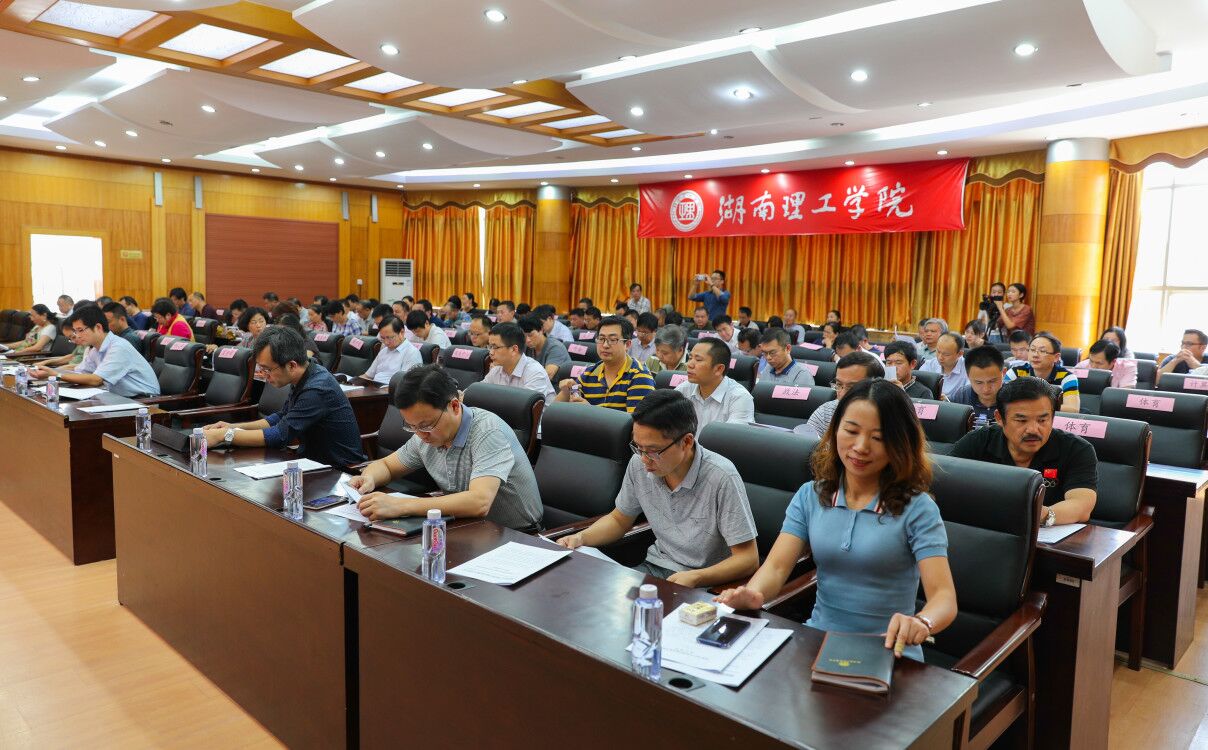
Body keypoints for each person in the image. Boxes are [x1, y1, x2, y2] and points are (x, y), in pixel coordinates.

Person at [716, 379, 956, 661]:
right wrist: (753, 594)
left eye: (878, 438)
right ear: (834, 430)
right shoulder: (811, 495)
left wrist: (922, 622)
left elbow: (943, 597)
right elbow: (777, 567)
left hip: (890, 651)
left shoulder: (918, 508)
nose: (861, 447)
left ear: (900, 443)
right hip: (818, 641)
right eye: (851, 431)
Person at [558, 390, 758, 587]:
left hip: (706, 583)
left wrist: (697, 577)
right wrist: (581, 537)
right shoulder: (639, 463)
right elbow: (619, 519)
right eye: (638, 447)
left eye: (653, 451)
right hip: (654, 568)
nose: (644, 459)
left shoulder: (721, 477)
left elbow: (748, 559)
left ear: (686, 442)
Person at [347, 364, 543, 530]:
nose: (420, 434)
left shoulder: (488, 431)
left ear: (455, 406)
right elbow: (387, 466)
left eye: (426, 425)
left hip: (516, 535)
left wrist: (401, 505)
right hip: (465, 526)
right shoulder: (426, 435)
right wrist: (369, 478)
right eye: (412, 426)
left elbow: (480, 501)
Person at [202, 326, 365, 467]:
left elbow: (280, 435)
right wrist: (231, 427)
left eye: (267, 369)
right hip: (311, 461)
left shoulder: (317, 388)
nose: (264, 375)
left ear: (291, 365)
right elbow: (281, 416)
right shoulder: (306, 372)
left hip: (339, 469)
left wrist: (224, 435)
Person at [951, 376, 1097, 525]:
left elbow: (1081, 506)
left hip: (1048, 535)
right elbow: (946, 485)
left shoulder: (1076, 449)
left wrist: (1040, 515)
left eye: (1042, 420)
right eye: (1021, 420)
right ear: (999, 418)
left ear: (1053, 417)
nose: (1033, 429)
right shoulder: (977, 442)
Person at [29, 306, 159, 398]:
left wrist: (55, 374)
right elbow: (79, 372)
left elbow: (96, 380)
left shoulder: (118, 347)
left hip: (144, 402)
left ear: (98, 327)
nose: (77, 336)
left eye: (80, 330)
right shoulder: (95, 349)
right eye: (75, 331)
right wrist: (48, 372)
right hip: (121, 398)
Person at [556, 316, 654, 412]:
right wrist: (567, 391)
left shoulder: (640, 376)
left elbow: (636, 421)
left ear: (627, 344)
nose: (605, 345)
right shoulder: (589, 373)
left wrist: (590, 411)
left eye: (613, 340)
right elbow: (553, 413)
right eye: (601, 339)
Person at [676, 338, 755, 432]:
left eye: (698, 360)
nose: (689, 364)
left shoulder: (739, 398)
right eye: (690, 358)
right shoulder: (683, 390)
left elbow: (733, 438)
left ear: (719, 369)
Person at [801, 352, 884, 437]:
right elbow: (808, 443)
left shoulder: (887, 417)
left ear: (876, 386)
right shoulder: (825, 413)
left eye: (852, 387)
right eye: (839, 384)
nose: (842, 394)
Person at [1005, 332, 1079, 413]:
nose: (1035, 355)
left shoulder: (1067, 378)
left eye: (1042, 351)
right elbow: (1003, 402)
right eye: (1032, 350)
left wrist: (1030, 406)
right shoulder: (1015, 373)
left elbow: (1073, 409)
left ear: (1056, 357)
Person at [483, 322, 555, 400]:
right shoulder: (497, 369)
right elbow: (478, 393)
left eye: (495, 347)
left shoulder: (535, 372)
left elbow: (522, 406)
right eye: (490, 347)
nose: (491, 352)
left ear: (514, 349)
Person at [946, 345, 1006, 428]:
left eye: (992, 381)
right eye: (979, 382)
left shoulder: (1015, 399)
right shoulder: (962, 396)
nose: (986, 389)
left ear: (1004, 373)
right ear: (968, 376)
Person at [362, 316, 422, 385]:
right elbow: (367, 376)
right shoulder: (383, 351)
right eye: (383, 338)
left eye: (389, 338)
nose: (386, 342)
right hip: (375, 388)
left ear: (402, 332)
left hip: (390, 390)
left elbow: (405, 385)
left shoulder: (412, 353)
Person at [519, 314, 570, 380]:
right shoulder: (525, 345)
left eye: (531, 335)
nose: (527, 340)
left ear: (542, 330)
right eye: (524, 336)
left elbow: (547, 376)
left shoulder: (556, 347)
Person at [920, 332, 968, 398]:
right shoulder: (930, 364)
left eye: (946, 354)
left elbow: (968, 397)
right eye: (938, 351)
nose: (940, 357)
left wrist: (948, 400)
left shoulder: (969, 370)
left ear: (960, 354)